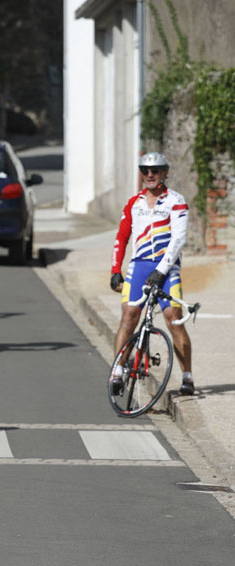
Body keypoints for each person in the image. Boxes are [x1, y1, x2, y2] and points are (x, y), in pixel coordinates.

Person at [109, 152, 194, 395]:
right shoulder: (133, 203)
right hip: (139, 266)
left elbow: (178, 239)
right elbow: (122, 237)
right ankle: (117, 371)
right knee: (129, 316)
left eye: (155, 170)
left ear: (164, 173)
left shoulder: (175, 201)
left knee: (173, 318)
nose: (149, 175)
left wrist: (161, 270)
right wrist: (116, 270)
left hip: (167, 268)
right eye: (144, 170)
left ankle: (187, 376)